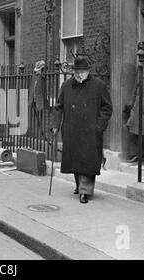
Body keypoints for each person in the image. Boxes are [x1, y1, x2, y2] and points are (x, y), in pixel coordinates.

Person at [51, 56, 113, 204]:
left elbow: (107, 107)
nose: (79, 74)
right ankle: (80, 186)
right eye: (77, 71)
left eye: (83, 71)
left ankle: (85, 191)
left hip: (90, 131)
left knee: (87, 160)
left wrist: (99, 126)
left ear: (88, 71)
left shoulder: (98, 85)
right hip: (72, 129)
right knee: (75, 160)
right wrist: (55, 125)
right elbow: (58, 107)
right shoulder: (66, 85)